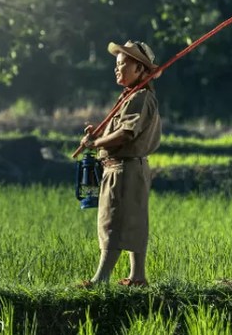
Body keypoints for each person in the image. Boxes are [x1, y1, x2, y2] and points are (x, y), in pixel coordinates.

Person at [79, 40, 162, 288]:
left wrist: (96, 144)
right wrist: (99, 135)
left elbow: (126, 134)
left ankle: (100, 278)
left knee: (114, 221)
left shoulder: (139, 97)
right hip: (125, 167)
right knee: (133, 220)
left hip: (124, 167)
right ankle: (138, 277)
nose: (117, 69)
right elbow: (119, 130)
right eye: (116, 65)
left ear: (140, 69)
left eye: (122, 64)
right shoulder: (130, 97)